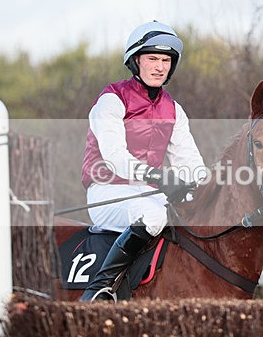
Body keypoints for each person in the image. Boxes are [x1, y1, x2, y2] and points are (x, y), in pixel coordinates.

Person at [79, 21, 206, 302]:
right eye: (153, 59)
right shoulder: (111, 100)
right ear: (135, 61)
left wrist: (202, 184)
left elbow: (191, 162)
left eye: (166, 61)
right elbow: (115, 159)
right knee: (154, 216)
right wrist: (161, 178)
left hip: (148, 193)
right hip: (106, 191)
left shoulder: (174, 109)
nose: (160, 66)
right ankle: (99, 290)